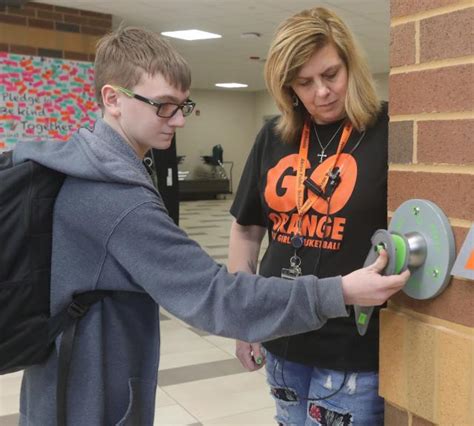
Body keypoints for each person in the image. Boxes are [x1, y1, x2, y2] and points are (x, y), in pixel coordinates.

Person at [13, 26, 408, 425]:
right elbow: (215, 295)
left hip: (71, 385)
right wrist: (339, 291)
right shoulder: (115, 199)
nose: (179, 121)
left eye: (182, 105)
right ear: (112, 99)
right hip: (87, 400)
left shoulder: (81, 160)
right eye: (163, 105)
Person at [229, 7, 395, 426]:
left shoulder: (388, 130)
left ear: (351, 66)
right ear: (287, 88)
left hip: (351, 348)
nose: (321, 92)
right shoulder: (273, 136)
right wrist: (243, 316)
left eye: (331, 75)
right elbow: (246, 230)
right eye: (304, 83)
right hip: (281, 335)